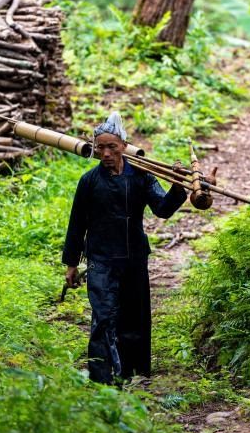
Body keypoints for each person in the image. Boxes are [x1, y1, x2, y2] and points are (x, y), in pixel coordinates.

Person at [61, 113, 187, 384]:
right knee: (103, 318)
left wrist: (178, 187)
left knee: (135, 317)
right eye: (100, 147)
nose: (106, 153)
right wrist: (71, 264)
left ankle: (135, 375)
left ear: (124, 145)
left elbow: (162, 209)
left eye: (112, 147)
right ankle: (102, 378)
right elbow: (76, 224)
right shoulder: (89, 181)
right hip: (101, 261)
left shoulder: (141, 177)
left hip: (134, 259)